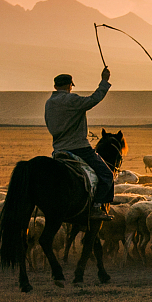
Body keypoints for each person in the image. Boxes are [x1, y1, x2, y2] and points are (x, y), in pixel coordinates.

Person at [46, 67, 114, 218]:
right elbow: (93, 99)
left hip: (58, 149)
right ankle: (96, 207)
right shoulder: (72, 100)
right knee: (106, 175)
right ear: (69, 85)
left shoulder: (49, 103)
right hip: (79, 148)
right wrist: (104, 81)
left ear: (55, 86)